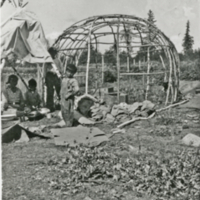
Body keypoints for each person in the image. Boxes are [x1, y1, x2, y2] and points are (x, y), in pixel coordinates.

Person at [45, 47, 63, 112]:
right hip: (49, 75)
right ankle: (50, 106)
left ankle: (61, 105)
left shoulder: (57, 60)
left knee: (59, 90)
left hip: (56, 76)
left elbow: (61, 68)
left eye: (53, 53)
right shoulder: (47, 61)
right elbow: (45, 69)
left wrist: (60, 74)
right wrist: (45, 78)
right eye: (50, 53)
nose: (52, 54)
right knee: (50, 91)